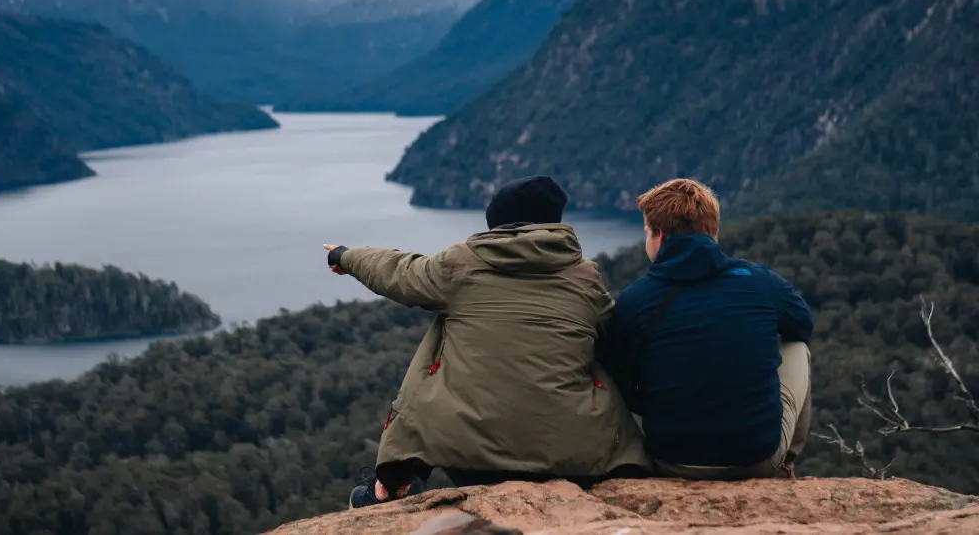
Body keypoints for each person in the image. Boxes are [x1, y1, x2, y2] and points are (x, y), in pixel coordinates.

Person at [323, 175, 649, 509]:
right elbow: (618, 350)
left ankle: (393, 481)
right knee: (596, 349)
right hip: (573, 454)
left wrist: (345, 256)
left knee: (444, 336)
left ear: (497, 223)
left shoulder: (460, 265)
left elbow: (398, 271)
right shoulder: (585, 278)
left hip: (467, 452)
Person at [598, 178, 814, 480]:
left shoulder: (635, 299)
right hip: (756, 458)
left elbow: (618, 376)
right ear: (713, 232)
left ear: (659, 236)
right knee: (797, 348)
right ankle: (785, 463)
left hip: (670, 460)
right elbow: (803, 325)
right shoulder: (761, 282)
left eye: (647, 232)